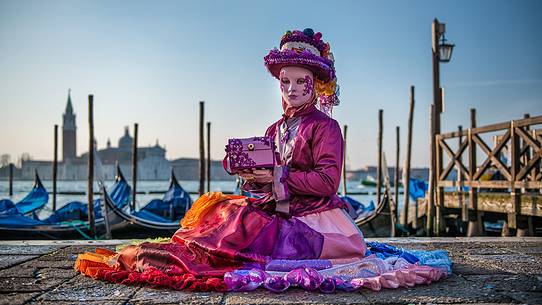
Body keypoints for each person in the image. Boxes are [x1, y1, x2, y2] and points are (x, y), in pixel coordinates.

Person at [75, 28, 450, 293]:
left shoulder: (327, 128)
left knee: (236, 225)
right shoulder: (274, 127)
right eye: (284, 82)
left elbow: (326, 183)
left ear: (315, 84)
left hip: (314, 219)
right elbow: (265, 174)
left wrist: (276, 177)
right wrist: (253, 177)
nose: (290, 89)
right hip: (274, 207)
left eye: (299, 82)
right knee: (216, 211)